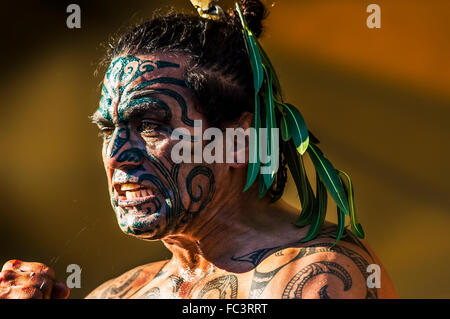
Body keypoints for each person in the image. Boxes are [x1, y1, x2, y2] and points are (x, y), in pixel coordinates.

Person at [0, 0, 397, 299]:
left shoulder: (319, 275)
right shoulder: (116, 294)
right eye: (109, 129)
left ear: (239, 140)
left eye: (150, 126)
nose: (116, 154)